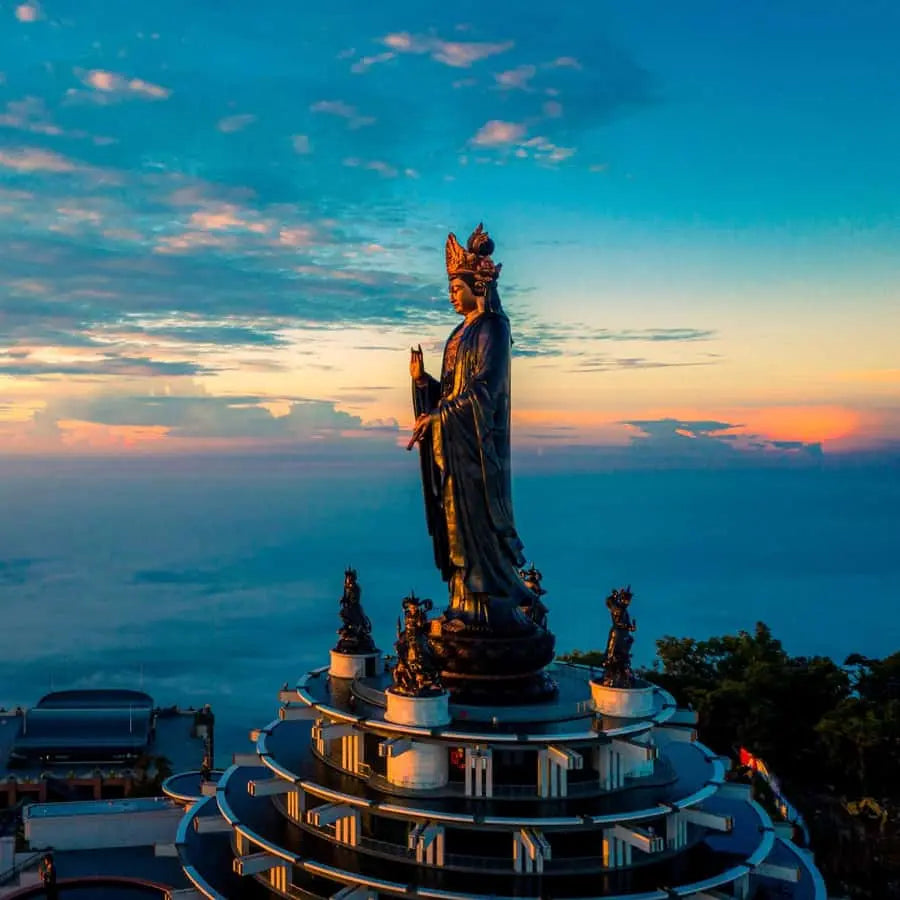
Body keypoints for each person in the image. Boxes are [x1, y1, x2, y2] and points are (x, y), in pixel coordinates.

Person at [408, 224, 533, 633]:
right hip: (454, 448)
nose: (451, 294)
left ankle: (489, 605)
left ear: (476, 286)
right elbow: (451, 391)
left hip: (478, 449)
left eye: (456, 286)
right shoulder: (457, 334)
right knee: (454, 522)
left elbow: (485, 390)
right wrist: (424, 385)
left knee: (477, 520)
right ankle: (462, 602)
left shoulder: (493, 328)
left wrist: (441, 416)